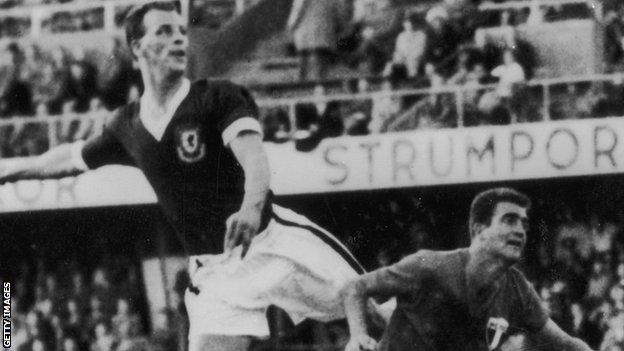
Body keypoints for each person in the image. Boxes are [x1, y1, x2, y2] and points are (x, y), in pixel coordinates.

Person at [0, 2, 365, 351]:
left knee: (383, 316)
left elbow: (255, 160)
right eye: (164, 31)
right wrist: (9, 172)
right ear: (137, 47)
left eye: (180, 31)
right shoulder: (126, 125)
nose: (178, 38)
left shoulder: (218, 97)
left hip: (275, 243)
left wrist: (251, 209)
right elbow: (67, 158)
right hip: (217, 275)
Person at [341, 187, 594, 351]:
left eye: (524, 224)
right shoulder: (430, 266)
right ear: (478, 229)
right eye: (509, 220)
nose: (520, 230)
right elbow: (355, 286)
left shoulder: (518, 290)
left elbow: (567, 344)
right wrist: (357, 336)